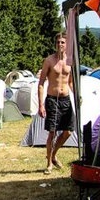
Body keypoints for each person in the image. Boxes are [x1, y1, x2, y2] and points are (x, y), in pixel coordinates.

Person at [38, 32, 75, 175]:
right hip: (52, 100)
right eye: (58, 42)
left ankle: (53, 155)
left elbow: (70, 82)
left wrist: (77, 95)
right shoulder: (49, 60)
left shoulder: (70, 61)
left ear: (67, 45)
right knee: (52, 132)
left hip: (65, 99)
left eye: (63, 42)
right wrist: (41, 104)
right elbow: (41, 83)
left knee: (68, 131)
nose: (60, 44)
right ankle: (48, 164)